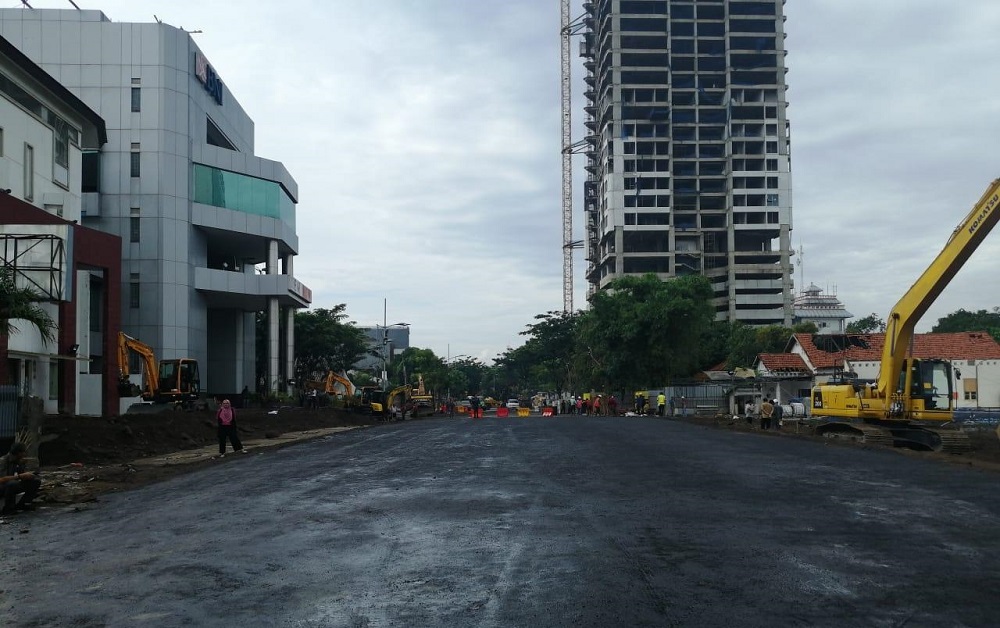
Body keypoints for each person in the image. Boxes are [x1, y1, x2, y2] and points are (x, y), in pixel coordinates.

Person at [1, 442, 41, 515]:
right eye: (24, 452)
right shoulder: (3, 461)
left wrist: (28, 475)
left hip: (10, 485)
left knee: (35, 481)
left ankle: (23, 504)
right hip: (2, 486)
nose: (25, 454)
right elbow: (1, 479)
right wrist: (20, 476)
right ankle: (8, 509)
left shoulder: (19, 461)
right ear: (18, 453)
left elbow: (22, 474)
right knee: (12, 484)